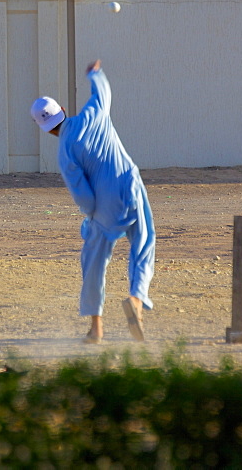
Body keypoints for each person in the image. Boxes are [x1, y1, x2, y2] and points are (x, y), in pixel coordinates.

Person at [31, 60, 156, 344]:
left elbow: (83, 195)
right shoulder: (93, 114)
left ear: (45, 129)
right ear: (62, 109)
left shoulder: (65, 152)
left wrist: (90, 218)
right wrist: (94, 73)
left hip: (106, 203)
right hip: (131, 182)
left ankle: (96, 328)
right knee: (144, 242)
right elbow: (103, 92)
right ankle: (137, 298)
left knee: (94, 259)